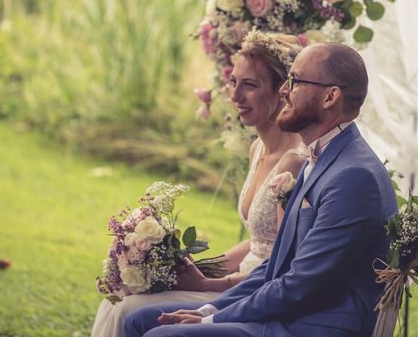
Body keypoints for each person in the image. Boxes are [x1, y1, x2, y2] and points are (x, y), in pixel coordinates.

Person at [123, 42, 399, 337]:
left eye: (294, 82)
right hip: (288, 313)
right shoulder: (318, 158)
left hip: (310, 325)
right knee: (138, 320)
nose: (284, 91)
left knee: (160, 335)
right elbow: (276, 268)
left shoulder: (354, 176)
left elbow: (299, 285)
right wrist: (210, 310)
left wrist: (209, 323)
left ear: (331, 96)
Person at [90, 30, 304, 337]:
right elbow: (258, 240)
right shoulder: (256, 149)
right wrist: (199, 266)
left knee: (127, 310)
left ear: (281, 92)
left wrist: (209, 284)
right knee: (118, 301)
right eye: (234, 82)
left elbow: (281, 264)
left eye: (250, 85)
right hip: (234, 278)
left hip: (248, 292)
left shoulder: (293, 163)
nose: (235, 96)